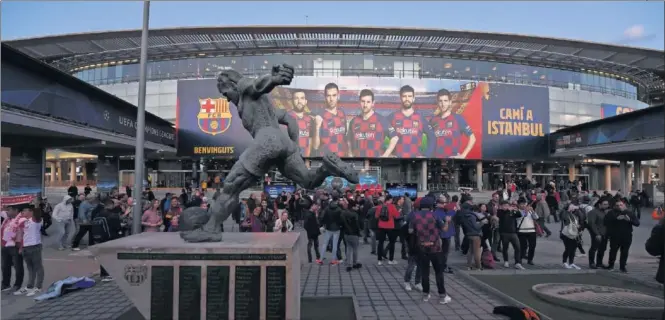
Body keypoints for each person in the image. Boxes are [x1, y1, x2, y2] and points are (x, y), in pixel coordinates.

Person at [409, 196, 451, 304]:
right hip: (435, 247)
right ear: (431, 206)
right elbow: (444, 229)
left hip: (421, 247)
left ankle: (425, 295)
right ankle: (442, 295)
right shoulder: (435, 215)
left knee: (424, 272)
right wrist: (447, 221)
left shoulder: (414, 216)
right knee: (438, 272)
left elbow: (410, 231)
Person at [15, 205, 44, 297]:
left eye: (25, 210)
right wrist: (20, 247)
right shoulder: (24, 222)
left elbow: (38, 213)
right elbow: (22, 235)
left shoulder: (36, 220)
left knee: (38, 267)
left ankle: (38, 287)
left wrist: (36, 204)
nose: (23, 212)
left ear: (31, 212)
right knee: (30, 268)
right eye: (22, 211)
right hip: (25, 248)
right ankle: (29, 286)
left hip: (35, 246)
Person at [605, 200, 639, 272]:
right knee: (613, 251)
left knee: (624, 252)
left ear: (624, 205)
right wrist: (616, 219)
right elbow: (606, 222)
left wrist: (629, 220)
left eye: (621, 205)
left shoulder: (629, 213)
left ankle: (622, 267)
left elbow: (637, 223)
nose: (619, 207)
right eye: (617, 205)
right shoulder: (611, 213)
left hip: (626, 236)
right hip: (615, 236)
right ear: (614, 206)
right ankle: (611, 265)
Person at [1, 206, 24, 293]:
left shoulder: (21, 220)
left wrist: (21, 246)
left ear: (16, 210)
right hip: (5, 245)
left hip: (15, 246)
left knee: (18, 267)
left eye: (9, 210)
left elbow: (23, 233)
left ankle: (17, 284)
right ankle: (5, 284)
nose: (8, 212)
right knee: (4, 266)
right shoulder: (7, 219)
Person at [497, 201, 524, 269]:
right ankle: (506, 261)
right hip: (504, 233)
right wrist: (507, 211)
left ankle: (517, 262)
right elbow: (502, 217)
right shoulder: (500, 212)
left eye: (507, 205)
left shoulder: (512, 212)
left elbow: (519, 215)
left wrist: (516, 210)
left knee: (518, 247)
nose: (506, 207)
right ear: (502, 206)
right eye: (504, 205)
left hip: (513, 232)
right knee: (505, 248)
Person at [317, 194, 343, 265]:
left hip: (328, 228)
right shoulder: (339, 209)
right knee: (335, 244)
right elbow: (341, 219)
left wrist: (323, 224)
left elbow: (323, 217)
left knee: (325, 243)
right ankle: (333, 260)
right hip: (337, 228)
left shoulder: (327, 208)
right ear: (337, 200)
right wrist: (340, 225)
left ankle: (321, 259)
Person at [375, 194, 401, 265]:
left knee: (380, 243)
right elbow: (396, 216)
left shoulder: (379, 206)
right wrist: (399, 211)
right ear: (390, 199)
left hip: (381, 226)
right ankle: (391, 260)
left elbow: (376, 216)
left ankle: (379, 260)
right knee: (392, 243)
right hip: (390, 227)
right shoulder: (392, 206)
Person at [586, 199, 609, 269]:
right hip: (597, 234)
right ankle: (592, 263)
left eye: (607, 204)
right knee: (594, 248)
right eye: (605, 204)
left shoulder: (604, 212)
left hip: (604, 234)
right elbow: (592, 224)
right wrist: (597, 234)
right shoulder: (593, 212)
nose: (607, 206)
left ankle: (599, 263)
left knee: (602, 249)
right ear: (599, 205)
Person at [340, 198, 362, 272]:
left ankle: (349, 264)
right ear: (352, 206)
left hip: (346, 233)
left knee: (348, 248)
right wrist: (359, 232)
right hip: (354, 234)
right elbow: (357, 225)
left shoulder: (343, 213)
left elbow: (342, 223)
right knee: (355, 249)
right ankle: (354, 263)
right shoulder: (355, 214)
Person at [516, 198, 539, 266]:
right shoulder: (517, 211)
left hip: (532, 230)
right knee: (523, 246)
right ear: (518, 205)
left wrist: (533, 211)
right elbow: (519, 217)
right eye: (521, 204)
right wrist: (525, 211)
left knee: (532, 246)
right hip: (521, 231)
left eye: (524, 204)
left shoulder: (530, 211)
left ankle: (530, 259)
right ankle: (519, 259)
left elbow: (536, 217)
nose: (523, 205)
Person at [560, 204, 583, 270]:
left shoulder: (573, 214)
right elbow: (564, 219)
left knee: (573, 249)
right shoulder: (565, 213)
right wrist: (567, 210)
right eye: (573, 208)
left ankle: (571, 262)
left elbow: (578, 220)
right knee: (568, 248)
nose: (574, 209)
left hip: (574, 234)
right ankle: (564, 262)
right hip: (566, 234)